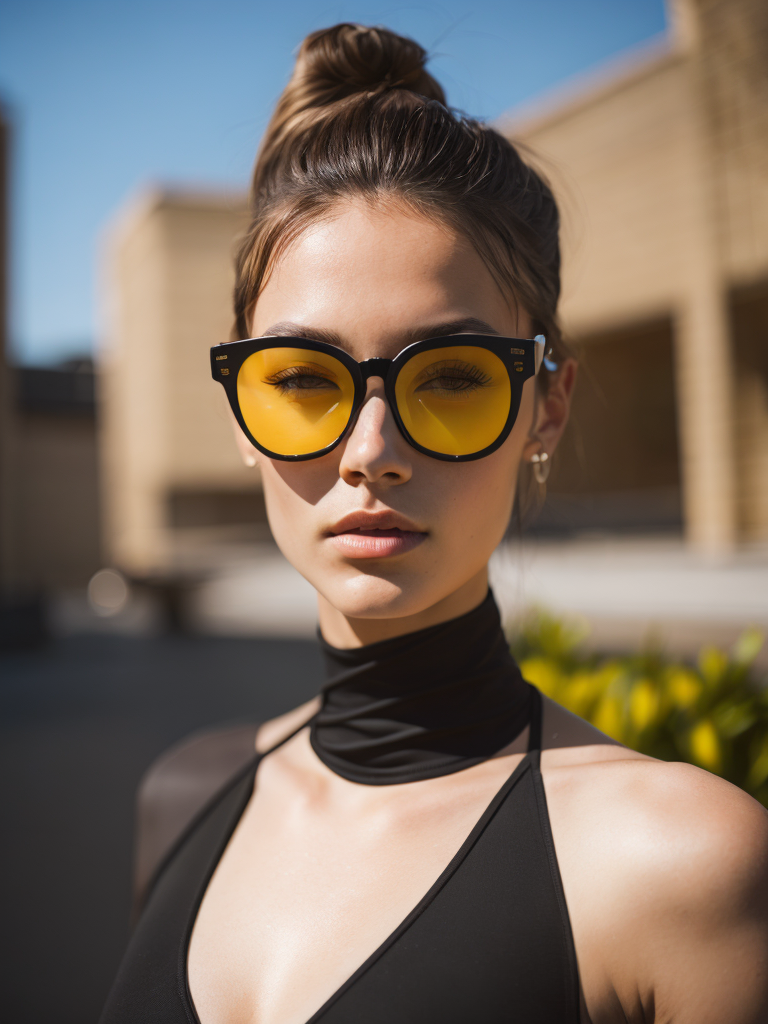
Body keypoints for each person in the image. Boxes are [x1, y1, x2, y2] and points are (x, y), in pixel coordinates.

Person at [99, 23, 768, 1024]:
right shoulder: (183, 794)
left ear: (548, 404)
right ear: (243, 408)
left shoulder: (681, 865)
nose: (372, 449)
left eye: (450, 377)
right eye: (302, 380)